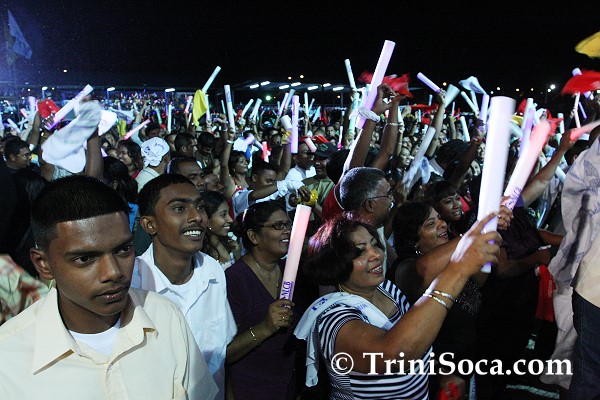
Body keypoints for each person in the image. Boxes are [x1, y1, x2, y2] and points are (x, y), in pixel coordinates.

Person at [0, 175, 217, 399]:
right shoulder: (7, 360)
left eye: (123, 250)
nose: (113, 272)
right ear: (43, 264)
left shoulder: (165, 316)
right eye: (85, 259)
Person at [294, 212, 501, 399]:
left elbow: (415, 336)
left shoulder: (387, 290)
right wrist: (458, 270)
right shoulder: (334, 318)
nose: (376, 254)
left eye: (374, 245)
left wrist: (441, 372)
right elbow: (396, 354)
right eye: (360, 252)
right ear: (335, 264)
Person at [133, 174, 237, 399]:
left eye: (200, 207)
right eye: (179, 209)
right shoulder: (132, 285)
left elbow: (223, 353)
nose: (197, 217)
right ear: (150, 224)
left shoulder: (213, 271)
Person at [226, 201, 305, 400]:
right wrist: (265, 328)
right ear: (254, 236)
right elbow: (224, 352)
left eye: (288, 224)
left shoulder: (291, 269)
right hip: (253, 389)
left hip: (289, 386)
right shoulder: (234, 280)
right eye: (278, 226)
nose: (287, 231)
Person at [201, 190, 240, 269]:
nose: (230, 220)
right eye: (223, 215)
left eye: (228, 213)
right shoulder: (200, 255)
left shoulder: (230, 238)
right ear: (207, 220)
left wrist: (237, 249)